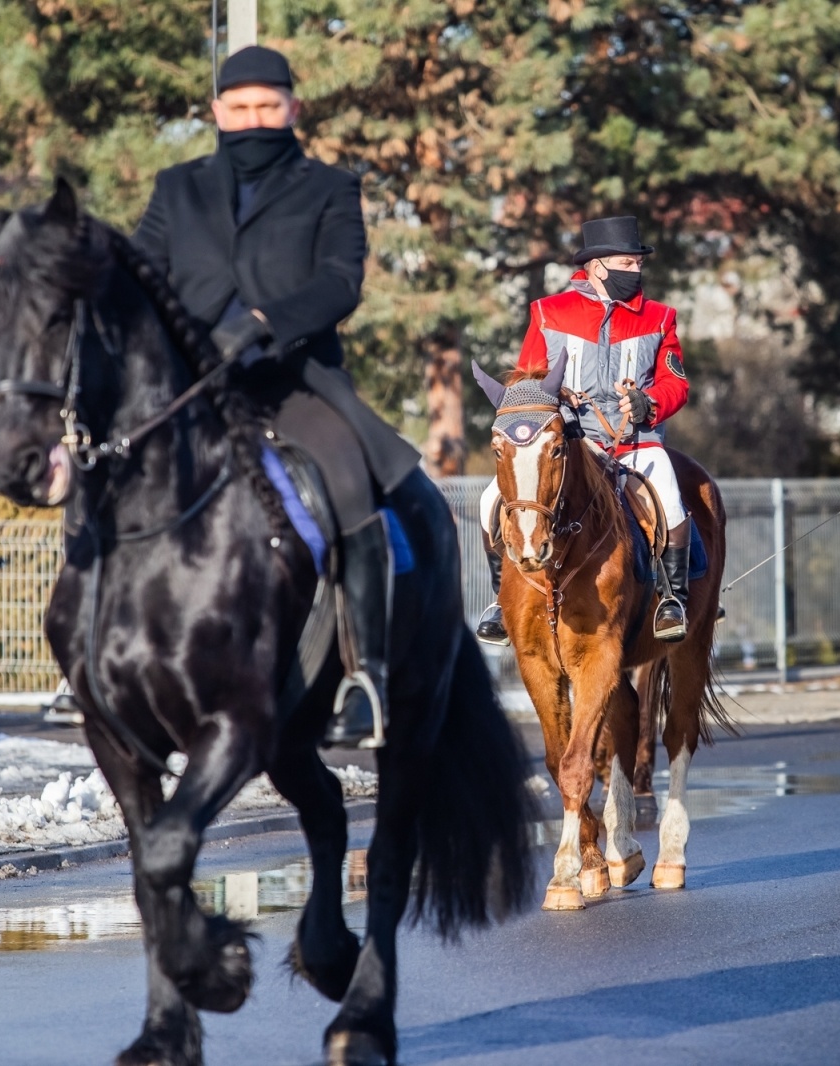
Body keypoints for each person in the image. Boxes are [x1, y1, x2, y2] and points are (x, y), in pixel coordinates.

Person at [132, 45, 422, 749]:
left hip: (294, 380)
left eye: (268, 107)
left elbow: (340, 281)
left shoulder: (330, 187)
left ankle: (365, 678)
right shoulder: (177, 188)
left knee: (353, 486)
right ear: (217, 113)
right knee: (113, 472)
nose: (255, 119)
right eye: (241, 108)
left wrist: (265, 326)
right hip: (189, 386)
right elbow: (143, 275)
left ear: (292, 108)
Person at [474, 216, 693, 646]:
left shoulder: (660, 318)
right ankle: (501, 601)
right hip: (570, 443)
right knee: (488, 501)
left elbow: (676, 384)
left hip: (635, 443)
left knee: (667, 489)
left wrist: (649, 404)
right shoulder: (548, 313)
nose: (636, 271)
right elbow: (526, 380)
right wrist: (554, 399)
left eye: (638, 264)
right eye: (627, 263)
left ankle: (673, 599)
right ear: (597, 267)